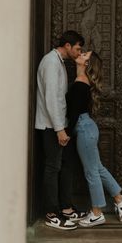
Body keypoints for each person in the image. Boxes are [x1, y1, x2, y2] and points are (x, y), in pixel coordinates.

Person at [66, 51, 122, 227]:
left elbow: (73, 115)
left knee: (91, 172)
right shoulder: (83, 83)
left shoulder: (80, 84)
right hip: (88, 127)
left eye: (85, 54)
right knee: (97, 168)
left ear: (86, 64)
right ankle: (119, 198)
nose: (81, 53)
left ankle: (96, 213)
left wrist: (66, 134)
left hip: (83, 128)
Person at [35, 30, 86, 230]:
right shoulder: (50, 63)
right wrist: (59, 129)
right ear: (67, 46)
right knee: (52, 167)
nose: (79, 52)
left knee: (65, 166)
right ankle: (50, 213)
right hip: (50, 126)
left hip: (58, 124)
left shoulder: (59, 63)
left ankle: (66, 208)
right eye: (77, 48)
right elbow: (51, 99)